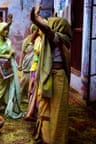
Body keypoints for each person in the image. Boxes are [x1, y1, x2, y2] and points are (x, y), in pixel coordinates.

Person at [30, 6, 72, 144]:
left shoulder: (59, 38)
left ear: (58, 27)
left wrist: (35, 19)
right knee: (44, 107)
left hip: (58, 78)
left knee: (57, 111)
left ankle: (56, 139)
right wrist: (37, 17)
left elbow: (47, 30)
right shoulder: (52, 36)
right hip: (47, 76)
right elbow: (46, 27)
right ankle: (45, 135)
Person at [0, 21, 23, 119]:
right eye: (4, 30)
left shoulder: (8, 41)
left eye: (7, 30)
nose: (7, 32)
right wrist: (3, 55)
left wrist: (12, 52)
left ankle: (3, 105)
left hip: (5, 67)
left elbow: (10, 50)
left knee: (6, 86)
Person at [18, 24, 38, 101]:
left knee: (33, 82)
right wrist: (20, 64)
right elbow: (23, 53)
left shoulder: (40, 40)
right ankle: (19, 96)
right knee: (24, 81)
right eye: (34, 30)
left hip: (35, 64)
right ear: (32, 31)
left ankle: (29, 97)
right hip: (27, 63)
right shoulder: (27, 40)